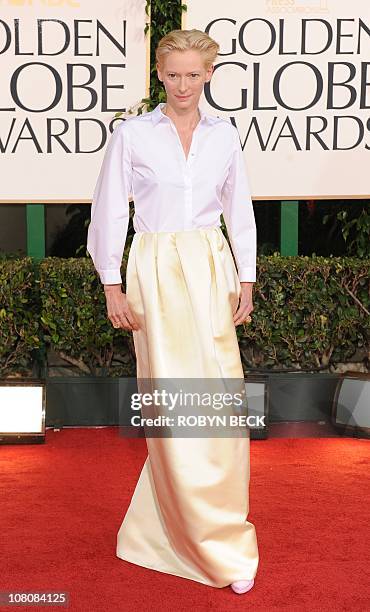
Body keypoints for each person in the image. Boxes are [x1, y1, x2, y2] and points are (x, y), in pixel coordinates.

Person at [86, 29, 259, 595]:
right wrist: (111, 284)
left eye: (194, 74)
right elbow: (109, 211)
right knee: (172, 402)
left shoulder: (225, 136)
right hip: (155, 268)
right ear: (158, 74)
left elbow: (241, 210)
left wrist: (247, 279)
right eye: (173, 74)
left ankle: (221, 532)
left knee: (222, 401)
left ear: (209, 74)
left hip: (211, 264)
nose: (183, 85)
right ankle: (177, 532)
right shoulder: (132, 135)